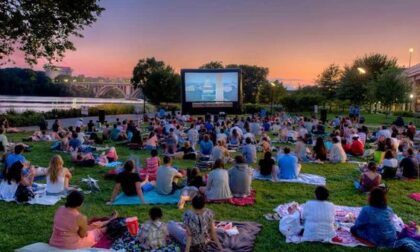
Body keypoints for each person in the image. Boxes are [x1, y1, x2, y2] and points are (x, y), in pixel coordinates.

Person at [50, 191, 118, 249]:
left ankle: (110, 220)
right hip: (69, 246)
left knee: (93, 225)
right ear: (80, 204)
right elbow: (82, 235)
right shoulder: (80, 217)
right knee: (96, 231)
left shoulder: (60, 208)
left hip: (54, 242)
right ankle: (111, 221)